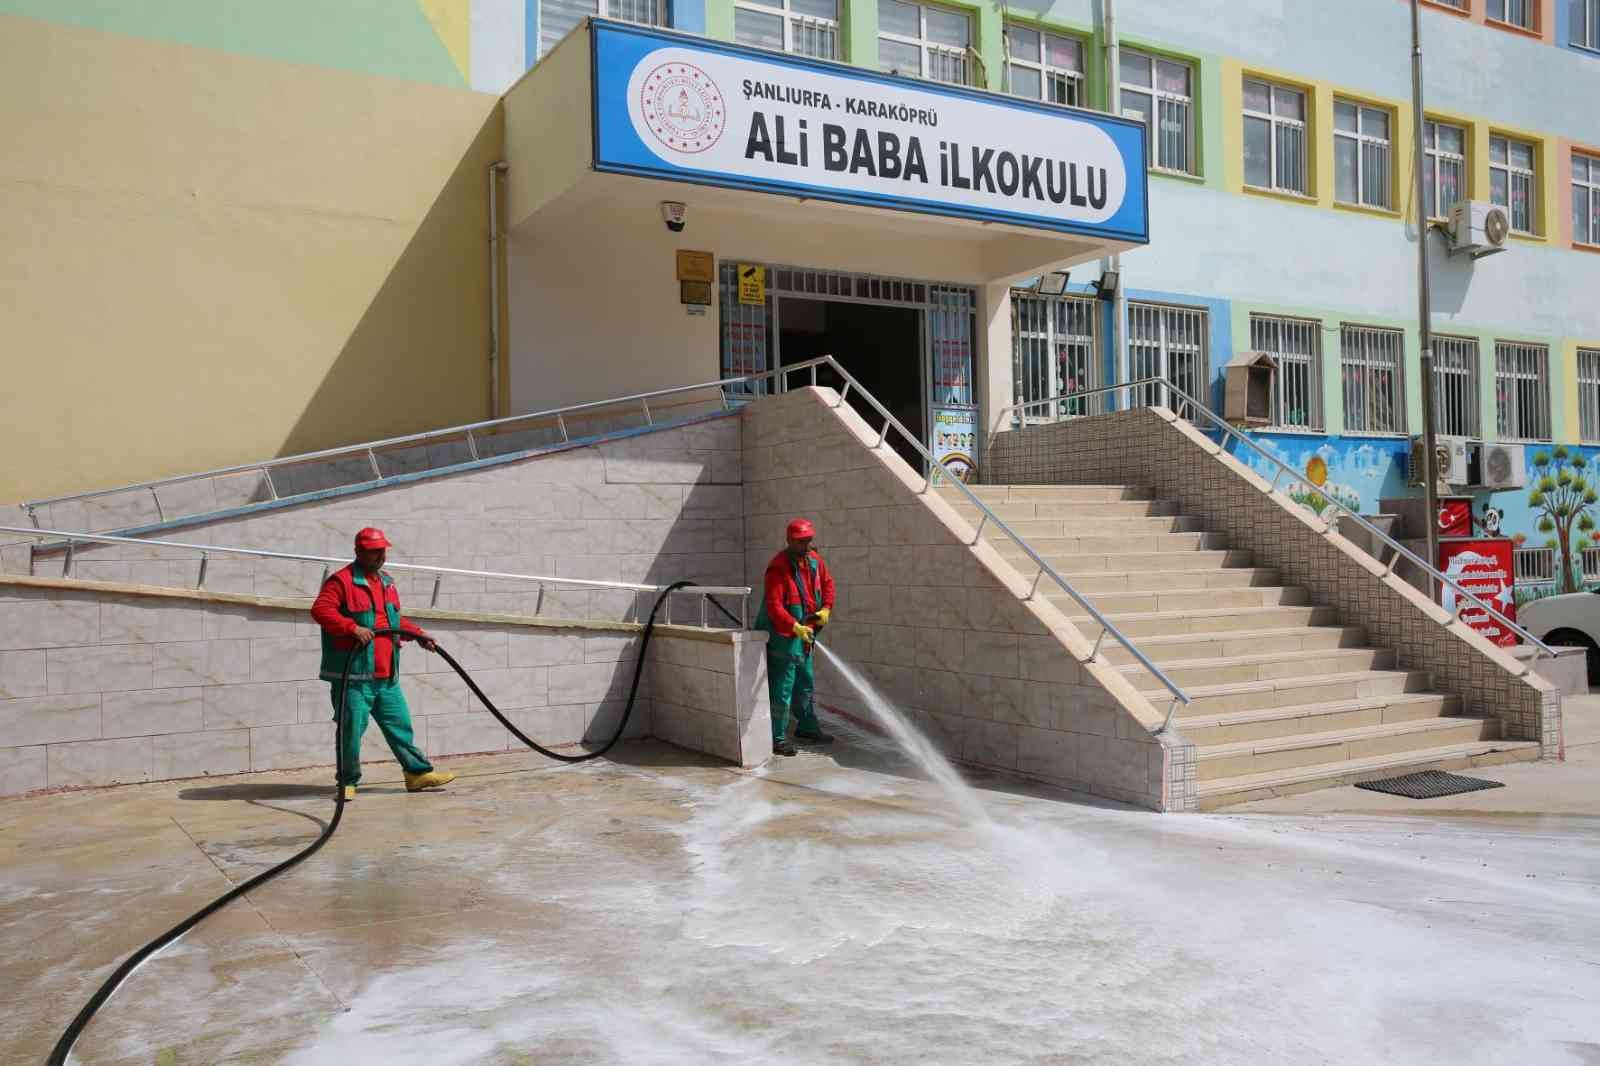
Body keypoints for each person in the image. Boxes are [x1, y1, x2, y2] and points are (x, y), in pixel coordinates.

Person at [311, 527, 456, 799]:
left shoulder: (387, 582)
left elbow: (392, 621)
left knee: (400, 725)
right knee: (351, 731)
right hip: (354, 678)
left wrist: (417, 634)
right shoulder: (341, 581)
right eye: (373, 551)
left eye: (382, 551)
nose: (379, 556)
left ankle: (417, 774)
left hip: (386, 675)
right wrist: (350, 628)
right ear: (358, 552)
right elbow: (320, 610)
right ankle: (348, 782)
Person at [755, 517, 836, 757]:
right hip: (783, 635)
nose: (806, 545)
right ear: (789, 540)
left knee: (806, 682)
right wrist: (794, 626)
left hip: (804, 633)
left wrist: (827, 608)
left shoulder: (814, 560)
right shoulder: (778, 567)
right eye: (801, 542)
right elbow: (774, 606)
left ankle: (807, 728)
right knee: (783, 688)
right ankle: (777, 738)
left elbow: (828, 584)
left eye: (809, 540)